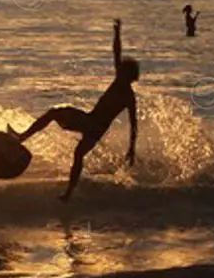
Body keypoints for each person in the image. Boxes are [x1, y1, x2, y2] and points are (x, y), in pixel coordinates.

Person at [9, 19, 138, 202]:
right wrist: (117, 34)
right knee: (74, 149)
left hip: (93, 125)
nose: (119, 71)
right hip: (95, 126)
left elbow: (134, 124)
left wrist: (131, 149)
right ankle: (68, 195)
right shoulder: (120, 82)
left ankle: (23, 138)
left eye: (123, 71)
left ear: (129, 76)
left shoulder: (128, 96)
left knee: (56, 115)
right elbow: (116, 53)